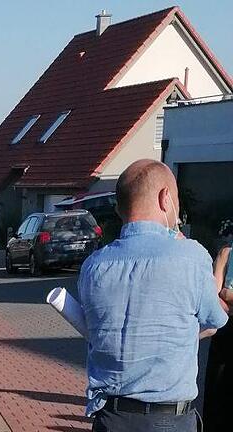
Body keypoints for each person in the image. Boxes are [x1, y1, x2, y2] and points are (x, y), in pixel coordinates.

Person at [78, 159, 228, 432]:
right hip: (168, 418)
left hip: (110, 417)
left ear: (120, 207)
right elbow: (215, 319)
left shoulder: (93, 266)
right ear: (165, 198)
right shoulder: (191, 257)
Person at [202, 220, 233, 431]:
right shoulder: (226, 254)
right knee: (218, 396)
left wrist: (229, 294)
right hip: (226, 335)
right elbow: (215, 299)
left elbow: (225, 293)